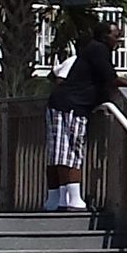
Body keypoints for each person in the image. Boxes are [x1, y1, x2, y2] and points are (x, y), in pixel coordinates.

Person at [44, 22, 121, 210]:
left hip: (65, 104)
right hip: (72, 106)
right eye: (116, 36)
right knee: (69, 153)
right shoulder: (98, 51)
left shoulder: (85, 55)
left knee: (60, 153)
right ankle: (71, 198)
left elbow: (54, 75)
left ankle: (58, 199)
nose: (118, 40)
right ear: (104, 37)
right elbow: (111, 79)